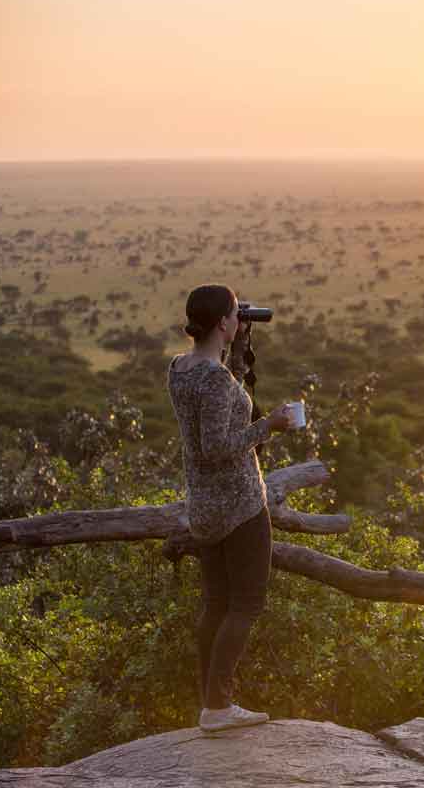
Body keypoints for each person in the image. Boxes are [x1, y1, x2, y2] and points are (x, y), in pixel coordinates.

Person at [166, 284, 293, 733]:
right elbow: (217, 444)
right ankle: (219, 706)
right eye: (237, 314)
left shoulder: (180, 368)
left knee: (216, 603)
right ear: (223, 322)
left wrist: (238, 355)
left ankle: (211, 704)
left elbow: (220, 407)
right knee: (247, 604)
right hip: (239, 505)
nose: (241, 318)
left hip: (203, 505)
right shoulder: (215, 380)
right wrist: (269, 425)